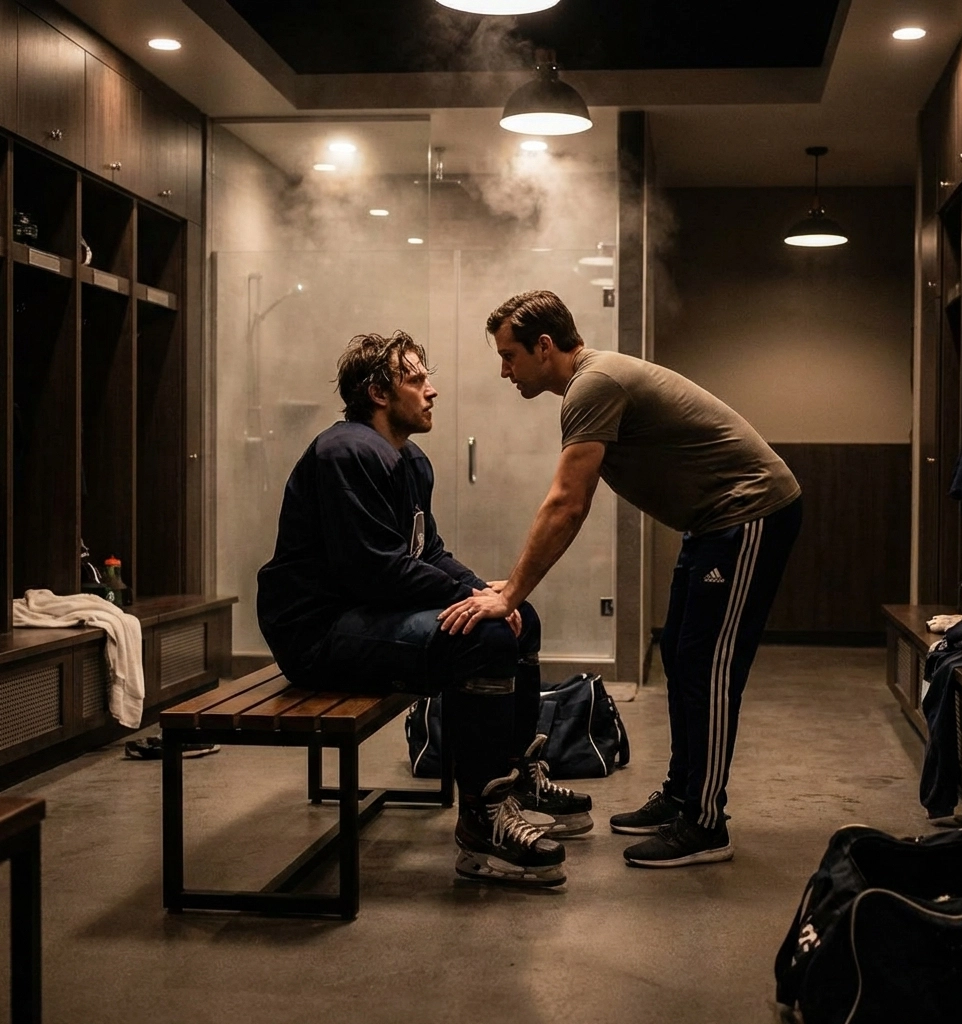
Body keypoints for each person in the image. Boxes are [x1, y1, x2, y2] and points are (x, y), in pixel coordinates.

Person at [439, 291, 802, 869]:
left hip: (748, 513)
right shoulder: (592, 382)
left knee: (707, 667)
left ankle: (706, 824)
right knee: (684, 660)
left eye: (509, 356)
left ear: (544, 346)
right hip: (712, 524)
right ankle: (684, 795)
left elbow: (567, 504)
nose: (503, 370)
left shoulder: (593, 384)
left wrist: (509, 593)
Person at [256, 330, 592, 889]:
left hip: (365, 616)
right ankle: (481, 827)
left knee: (518, 618)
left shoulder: (409, 460)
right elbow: (372, 570)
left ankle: (515, 779)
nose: (431, 391)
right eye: (416, 379)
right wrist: (471, 602)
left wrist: (495, 596)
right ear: (379, 394)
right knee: (484, 640)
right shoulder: (348, 451)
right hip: (317, 632)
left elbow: (426, 551)